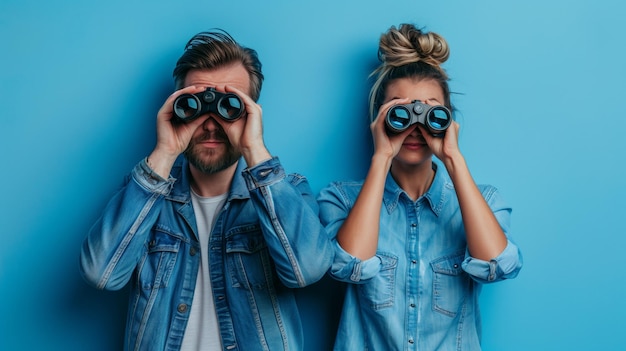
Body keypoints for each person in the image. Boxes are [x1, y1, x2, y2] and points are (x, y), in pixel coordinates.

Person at [80, 29, 334, 351]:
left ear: (251, 111)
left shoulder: (289, 192)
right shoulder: (145, 197)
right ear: (175, 105)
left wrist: (254, 147)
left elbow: (306, 270)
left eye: (230, 105)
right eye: (196, 104)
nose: (212, 123)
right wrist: (165, 151)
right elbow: (101, 273)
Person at [317, 23, 523, 350]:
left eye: (430, 112)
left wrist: (453, 158)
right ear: (378, 118)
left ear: (448, 121)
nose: (415, 125)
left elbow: (496, 265)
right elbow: (349, 265)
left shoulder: (484, 200)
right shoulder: (341, 199)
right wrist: (382, 155)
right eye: (400, 110)